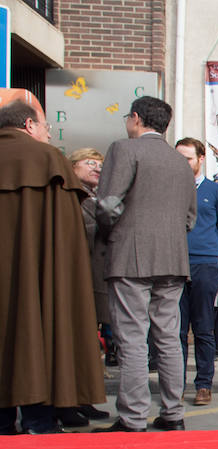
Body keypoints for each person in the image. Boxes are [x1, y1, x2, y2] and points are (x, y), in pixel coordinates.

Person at [92, 96, 197, 433]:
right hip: (173, 257)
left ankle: (133, 416)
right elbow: (189, 220)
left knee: (133, 337)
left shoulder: (125, 149)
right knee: (169, 336)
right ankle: (172, 413)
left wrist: (114, 233)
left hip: (131, 255)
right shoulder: (181, 162)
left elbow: (107, 205)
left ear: (136, 118)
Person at [0, 99, 105, 434]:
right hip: (40, 276)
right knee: (40, 330)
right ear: (29, 125)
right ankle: (37, 419)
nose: (47, 132)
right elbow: (66, 241)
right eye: (44, 126)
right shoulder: (49, 160)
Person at [175, 137, 218, 407]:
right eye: (179, 158)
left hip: (205, 265)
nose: (182, 163)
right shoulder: (170, 188)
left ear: (200, 159)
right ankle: (175, 385)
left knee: (203, 328)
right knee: (175, 330)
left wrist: (208, 248)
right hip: (174, 264)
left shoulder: (215, 191)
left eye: (187, 158)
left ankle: (204, 385)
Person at [61, 147, 112, 424]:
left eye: (100, 164)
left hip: (96, 276)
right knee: (76, 342)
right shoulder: (70, 196)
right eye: (90, 163)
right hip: (80, 278)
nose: (97, 168)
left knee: (90, 344)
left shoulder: (93, 197)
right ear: (73, 165)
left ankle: (83, 398)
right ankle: (67, 403)